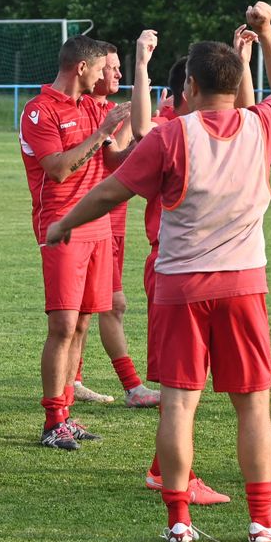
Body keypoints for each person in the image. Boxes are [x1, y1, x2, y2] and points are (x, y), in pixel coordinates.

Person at [48, 2, 271, 542]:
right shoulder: (261, 125)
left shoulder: (170, 136)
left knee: (179, 404)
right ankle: (262, 521)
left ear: (190, 85)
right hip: (242, 285)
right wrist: (266, 31)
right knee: (253, 405)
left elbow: (111, 190)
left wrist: (65, 222)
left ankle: (179, 521)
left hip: (179, 286)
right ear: (237, 83)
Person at [127, 30, 232, 507]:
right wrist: (141, 64)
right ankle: (174, 477)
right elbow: (139, 128)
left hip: (206, 267)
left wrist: (242, 56)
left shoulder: (214, 129)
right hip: (173, 265)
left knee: (191, 380)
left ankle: (162, 469)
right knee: (182, 382)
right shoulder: (170, 128)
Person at [19, 37, 132, 450]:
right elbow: (58, 169)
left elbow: (113, 161)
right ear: (82, 68)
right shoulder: (39, 110)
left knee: (82, 324)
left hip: (98, 227)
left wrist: (142, 146)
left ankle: (66, 413)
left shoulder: (93, 106)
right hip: (61, 227)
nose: (106, 75)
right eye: (102, 68)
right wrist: (102, 132)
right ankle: (52, 421)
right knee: (63, 325)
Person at [74, 45, 161, 408]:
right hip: (95, 223)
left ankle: (72, 380)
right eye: (109, 67)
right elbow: (113, 162)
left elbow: (121, 157)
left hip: (115, 223)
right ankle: (132, 387)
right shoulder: (86, 110)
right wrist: (135, 132)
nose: (115, 74)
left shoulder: (107, 110)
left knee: (86, 311)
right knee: (112, 305)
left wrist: (142, 136)